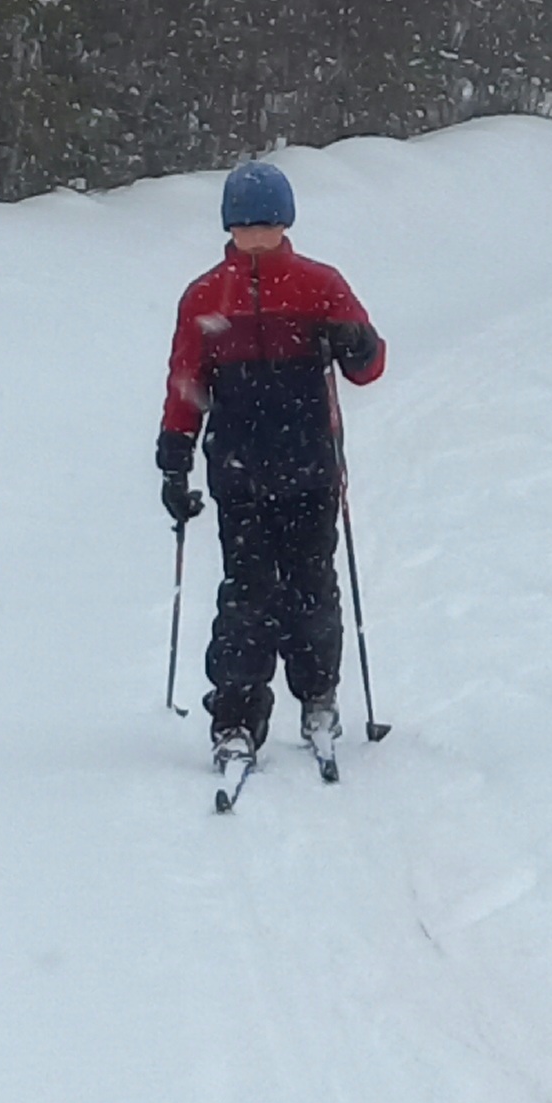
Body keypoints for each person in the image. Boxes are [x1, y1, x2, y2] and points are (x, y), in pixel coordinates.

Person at [156, 160, 385, 781]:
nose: (257, 237)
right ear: (229, 227)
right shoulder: (205, 296)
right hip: (240, 470)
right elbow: (187, 380)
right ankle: (235, 719)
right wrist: (175, 452)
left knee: (314, 590)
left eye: (268, 225)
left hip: (310, 466)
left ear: (286, 223)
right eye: (246, 227)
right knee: (247, 597)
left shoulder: (319, 285)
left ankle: (318, 698)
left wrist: (355, 341)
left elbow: (369, 365)